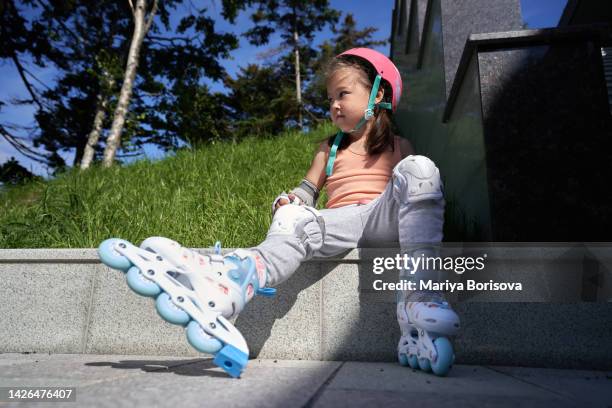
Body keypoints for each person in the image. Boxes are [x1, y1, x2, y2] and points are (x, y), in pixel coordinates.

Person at [98, 47, 460, 378]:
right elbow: (307, 191)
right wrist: (291, 203)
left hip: (385, 217)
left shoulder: (400, 146)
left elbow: (414, 196)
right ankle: (233, 280)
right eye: (330, 97)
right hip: (340, 223)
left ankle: (421, 294)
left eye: (343, 94)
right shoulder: (328, 149)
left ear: (378, 94)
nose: (333, 105)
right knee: (291, 217)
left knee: (421, 169)